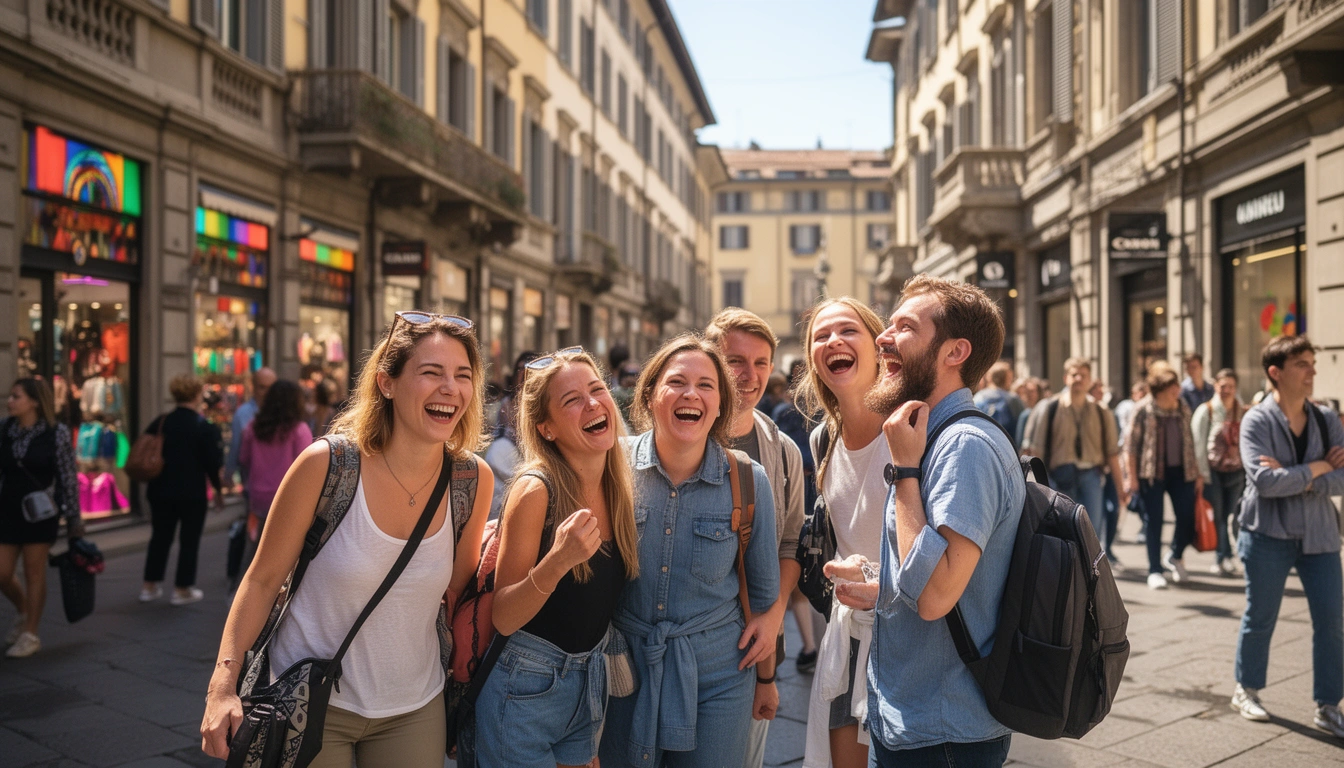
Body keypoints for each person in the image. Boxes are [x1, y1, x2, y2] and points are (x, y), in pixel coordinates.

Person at [200, 312, 494, 767]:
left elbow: (457, 592)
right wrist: (221, 689)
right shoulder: (327, 466)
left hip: (414, 706)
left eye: (462, 375)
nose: (450, 388)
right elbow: (261, 581)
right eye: (431, 373)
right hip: (307, 700)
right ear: (387, 383)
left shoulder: (472, 480)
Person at [831, 275, 1025, 767]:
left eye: (905, 326)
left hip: (942, 733)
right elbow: (959, 584)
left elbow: (937, 595)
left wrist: (905, 474)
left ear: (954, 352)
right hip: (913, 718)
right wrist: (885, 587)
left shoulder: (964, 448)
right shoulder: (932, 437)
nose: (882, 337)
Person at [598, 334, 778, 768]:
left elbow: (765, 598)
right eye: (677, 381)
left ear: (720, 405)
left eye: (707, 385)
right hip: (623, 671)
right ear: (650, 394)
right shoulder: (609, 467)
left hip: (719, 678)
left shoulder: (749, 481)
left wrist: (767, 680)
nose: (691, 394)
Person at [478, 347, 640, 767]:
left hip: (589, 681)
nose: (592, 403)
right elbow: (504, 616)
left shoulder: (618, 484)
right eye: (572, 400)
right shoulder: (535, 491)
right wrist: (558, 560)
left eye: (597, 389)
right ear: (546, 429)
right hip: (525, 688)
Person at [705, 309, 807, 768]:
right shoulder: (679, 433)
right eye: (735, 361)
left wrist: (775, 615)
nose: (749, 375)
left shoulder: (782, 451)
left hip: (755, 644)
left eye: (761, 362)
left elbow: (791, 543)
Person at [793, 297, 891, 768]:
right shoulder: (821, 440)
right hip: (847, 633)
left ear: (877, 345)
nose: (833, 341)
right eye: (820, 336)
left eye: (848, 330)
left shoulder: (913, 425)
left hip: (910, 632)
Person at [1230, 336, 1344, 736]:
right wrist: (1317, 467)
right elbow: (1264, 482)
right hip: (1267, 533)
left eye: (1313, 362)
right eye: (1303, 364)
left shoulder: (1327, 419)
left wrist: (1299, 476)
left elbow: (1342, 477)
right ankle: (1247, 689)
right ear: (1275, 373)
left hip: (1320, 535)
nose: (1313, 371)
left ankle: (1329, 704)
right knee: (1260, 617)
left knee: (1332, 620)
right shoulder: (1256, 420)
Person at [0, 378, 83, 658]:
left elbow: (67, 477)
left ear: (34, 401)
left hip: (40, 514)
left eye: (16, 396)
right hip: (7, 509)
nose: (10, 401)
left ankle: (30, 633)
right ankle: (23, 610)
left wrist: (73, 518)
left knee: (34, 572)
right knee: (2, 572)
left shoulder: (55, 432)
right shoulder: (5, 430)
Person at [1022, 358, 1129, 545]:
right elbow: (1036, 450)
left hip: (1091, 477)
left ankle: (1089, 573)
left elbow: (1112, 453)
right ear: (1065, 378)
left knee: (1091, 534)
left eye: (1083, 375)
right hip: (1059, 477)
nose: (1078, 378)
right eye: (1074, 374)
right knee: (1061, 533)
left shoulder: (1101, 411)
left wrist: (1121, 489)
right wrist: (1040, 489)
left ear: (1089, 380)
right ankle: (1065, 572)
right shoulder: (1049, 407)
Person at [140, 375, 225, 606]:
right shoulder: (204, 427)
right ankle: (182, 588)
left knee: (159, 537)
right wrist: (218, 491)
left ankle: (150, 586)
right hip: (192, 493)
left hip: (160, 490)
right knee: (189, 540)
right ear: (197, 395)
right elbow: (212, 464)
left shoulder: (161, 421)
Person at [1123, 367, 1202, 590]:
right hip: (1151, 474)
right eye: (1171, 388)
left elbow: (1190, 442)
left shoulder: (1183, 407)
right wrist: (1131, 478)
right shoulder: (1143, 410)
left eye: (1177, 386)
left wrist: (1196, 472)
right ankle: (1155, 570)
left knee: (1187, 517)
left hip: (1182, 472)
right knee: (1153, 522)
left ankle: (1175, 555)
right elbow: (1130, 446)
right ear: (1158, 392)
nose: (1177, 390)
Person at [237, 379, 313, 567]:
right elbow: (308, 468)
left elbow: (243, 458)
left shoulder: (253, 426)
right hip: (287, 499)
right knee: (284, 556)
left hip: (258, 497)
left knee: (256, 550)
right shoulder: (299, 430)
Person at [1191, 368, 1245, 577]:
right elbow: (1198, 444)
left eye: (1231, 386)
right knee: (1219, 516)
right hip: (1212, 472)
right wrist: (1202, 474)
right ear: (1216, 386)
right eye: (1223, 386)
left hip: (1237, 471)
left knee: (1232, 516)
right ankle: (1222, 557)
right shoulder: (1207, 411)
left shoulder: (1241, 410)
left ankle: (1228, 555)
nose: (1227, 390)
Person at [225, 367, 276, 490]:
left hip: (281, 486)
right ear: (253, 387)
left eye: (272, 388)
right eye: (262, 387)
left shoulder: (287, 415)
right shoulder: (243, 414)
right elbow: (236, 445)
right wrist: (229, 473)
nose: (267, 392)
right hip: (254, 486)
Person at [973, 361, 1024, 448]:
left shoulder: (978, 398)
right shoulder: (1013, 400)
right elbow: (1021, 429)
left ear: (990, 378)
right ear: (1007, 379)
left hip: (981, 446)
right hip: (1008, 449)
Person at [1012, 377, 1042, 449]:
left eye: (1032, 391)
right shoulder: (1020, 411)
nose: (1029, 394)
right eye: (1026, 391)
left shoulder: (1042, 410)